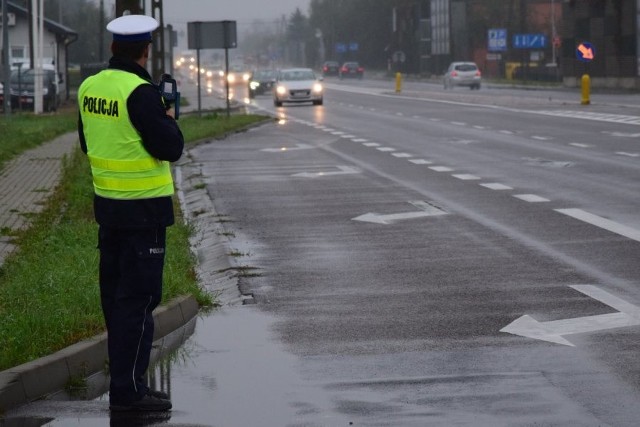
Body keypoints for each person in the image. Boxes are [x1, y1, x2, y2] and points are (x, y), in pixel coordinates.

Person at [77, 14, 184, 412]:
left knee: (117, 302)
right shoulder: (141, 93)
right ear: (146, 50)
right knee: (137, 304)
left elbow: (88, 144)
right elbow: (170, 148)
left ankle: (129, 384)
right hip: (144, 215)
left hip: (109, 212)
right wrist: (169, 120)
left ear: (111, 48)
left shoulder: (90, 86)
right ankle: (129, 393)